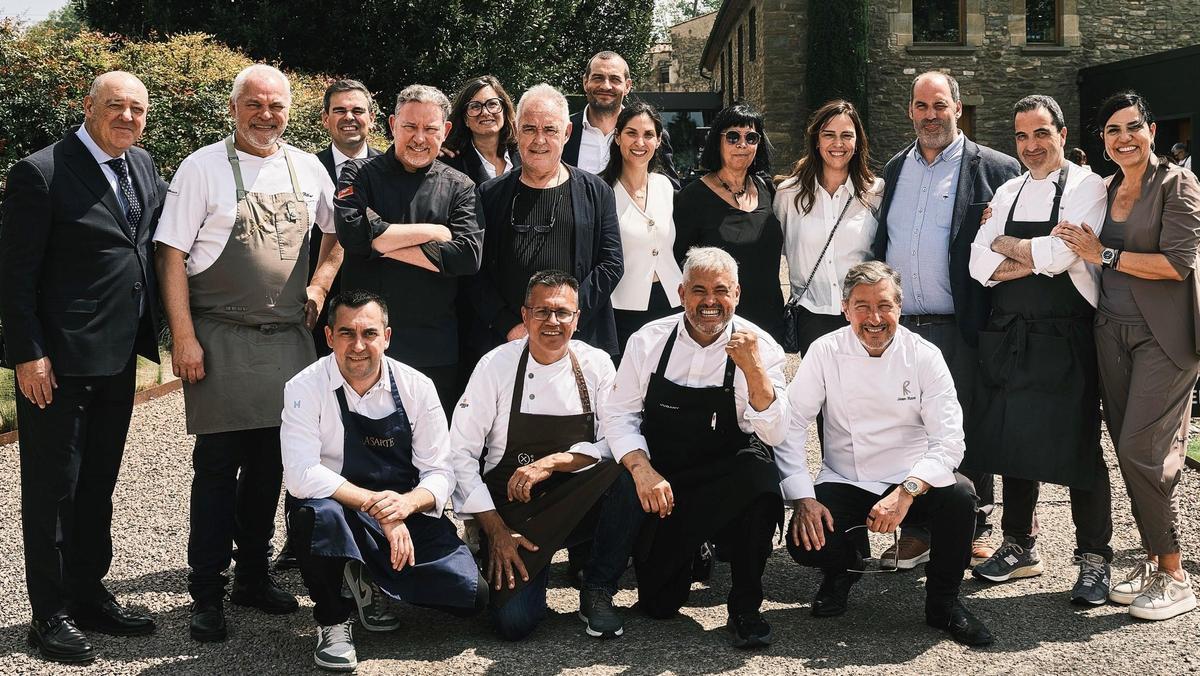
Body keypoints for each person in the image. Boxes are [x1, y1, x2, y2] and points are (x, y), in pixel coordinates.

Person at [154, 64, 342, 642]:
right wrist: (183, 336)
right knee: (216, 470)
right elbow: (170, 254)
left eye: (275, 105)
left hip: (288, 341)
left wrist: (319, 287)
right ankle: (207, 592)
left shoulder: (308, 167)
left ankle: (253, 578)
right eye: (254, 105)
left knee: (269, 468)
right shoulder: (202, 167)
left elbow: (336, 236)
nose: (265, 115)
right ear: (234, 108)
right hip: (221, 340)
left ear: (290, 110)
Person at [0, 70, 165, 664]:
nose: (128, 117)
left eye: (138, 109)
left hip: (119, 357)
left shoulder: (142, 165)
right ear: (89, 107)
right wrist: (28, 354)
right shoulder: (40, 172)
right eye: (116, 106)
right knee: (53, 491)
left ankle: (89, 593)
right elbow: (14, 276)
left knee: (97, 485)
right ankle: (48, 615)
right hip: (58, 363)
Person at [775, 261, 993, 647]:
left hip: (910, 478)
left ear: (899, 307)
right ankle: (844, 570)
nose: (874, 318)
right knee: (803, 541)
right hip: (846, 477)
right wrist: (803, 497)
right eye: (862, 306)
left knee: (961, 496)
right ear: (845, 309)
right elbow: (791, 425)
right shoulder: (825, 351)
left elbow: (949, 440)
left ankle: (943, 603)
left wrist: (907, 490)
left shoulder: (924, 356)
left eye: (884, 306)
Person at [280, 290, 484, 671]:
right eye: (346, 333)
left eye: (369, 333)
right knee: (313, 517)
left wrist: (405, 505)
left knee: (471, 595)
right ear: (329, 337)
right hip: (339, 511)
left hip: (403, 511)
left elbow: (440, 472)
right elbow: (301, 474)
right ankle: (333, 620)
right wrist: (378, 508)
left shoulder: (417, 387)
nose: (358, 346)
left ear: (386, 337)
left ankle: (363, 574)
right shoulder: (303, 387)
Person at [1054, 91, 1200, 621]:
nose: (1124, 138)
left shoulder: (1177, 184)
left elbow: (1178, 264)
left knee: (1141, 449)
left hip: (1164, 337)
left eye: (1132, 126)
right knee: (1129, 449)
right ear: (1103, 141)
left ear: (1151, 130)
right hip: (1110, 332)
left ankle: (1175, 574)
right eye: (1112, 130)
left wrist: (1105, 253)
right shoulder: (1106, 186)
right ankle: (1152, 558)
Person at [964, 95, 1113, 605]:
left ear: (1063, 134)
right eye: (1022, 136)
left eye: (1041, 133)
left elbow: (1062, 255)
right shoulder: (1008, 189)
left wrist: (1005, 244)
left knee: (1080, 448)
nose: (1031, 146)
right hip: (1010, 334)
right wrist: (1033, 252)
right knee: (1014, 441)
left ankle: (1094, 558)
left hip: (1068, 334)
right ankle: (1019, 546)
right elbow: (977, 265)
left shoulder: (1087, 186)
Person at [871, 71, 1021, 568]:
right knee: (911, 425)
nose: (930, 115)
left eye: (939, 105)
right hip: (905, 327)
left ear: (957, 108)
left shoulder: (996, 168)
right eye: (921, 106)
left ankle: (974, 524)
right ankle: (918, 529)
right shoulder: (895, 168)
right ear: (910, 111)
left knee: (969, 423)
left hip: (964, 323)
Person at [605, 246, 788, 649]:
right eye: (699, 290)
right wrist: (642, 470)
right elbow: (618, 415)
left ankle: (746, 606)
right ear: (681, 292)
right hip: (668, 481)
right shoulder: (648, 341)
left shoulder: (762, 347)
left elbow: (774, 432)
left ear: (737, 294)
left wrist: (753, 368)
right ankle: (695, 545)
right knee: (658, 605)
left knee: (760, 479)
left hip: (728, 474)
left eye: (721, 291)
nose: (710, 301)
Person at [450, 270, 641, 640]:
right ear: (525, 316)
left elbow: (616, 439)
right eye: (542, 312)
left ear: (577, 319)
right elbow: (460, 453)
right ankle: (488, 550)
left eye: (563, 312)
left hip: (576, 499)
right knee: (514, 623)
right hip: (514, 511)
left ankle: (598, 588)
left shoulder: (597, 363)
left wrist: (554, 462)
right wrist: (496, 530)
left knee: (629, 474)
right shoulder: (496, 365)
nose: (553, 321)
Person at [334, 84, 483, 415]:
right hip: (363, 346)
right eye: (410, 127)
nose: (419, 138)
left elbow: (466, 257)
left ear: (445, 131)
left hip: (432, 348)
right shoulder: (358, 173)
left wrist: (377, 243)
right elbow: (352, 234)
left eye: (430, 129)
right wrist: (433, 232)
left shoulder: (460, 187)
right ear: (392, 125)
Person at [472, 83, 623, 356]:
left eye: (550, 130)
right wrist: (510, 326)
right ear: (516, 130)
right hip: (509, 343)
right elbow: (476, 271)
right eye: (529, 129)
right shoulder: (489, 194)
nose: (539, 140)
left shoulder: (596, 191)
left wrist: (567, 318)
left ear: (567, 133)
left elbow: (611, 264)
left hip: (580, 340)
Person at [775, 99, 883, 356]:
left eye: (846, 135)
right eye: (829, 135)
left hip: (864, 316)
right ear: (816, 140)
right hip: (811, 317)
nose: (838, 143)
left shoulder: (875, 192)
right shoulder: (789, 194)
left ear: (857, 142)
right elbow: (771, 253)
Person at [673, 104, 785, 341]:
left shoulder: (767, 189)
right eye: (733, 136)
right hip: (717, 322)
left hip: (769, 319)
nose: (742, 144)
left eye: (751, 137)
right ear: (718, 141)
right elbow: (678, 263)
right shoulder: (693, 197)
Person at [599, 101, 683, 356]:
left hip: (671, 303)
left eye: (648, 135)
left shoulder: (665, 186)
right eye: (631, 133)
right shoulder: (600, 190)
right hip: (621, 307)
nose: (640, 142)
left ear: (658, 140)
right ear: (617, 137)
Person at [311, 79, 379, 356]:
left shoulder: (393, 169)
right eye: (339, 110)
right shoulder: (305, 169)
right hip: (315, 307)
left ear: (371, 118)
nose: (349, 117)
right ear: (325, 118)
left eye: (357, 111)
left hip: (376, 304)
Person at [561, 50, 679, 183]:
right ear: (585, 82)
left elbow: (670, 190)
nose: (606, 86)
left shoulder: (651, 136)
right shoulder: (563, 131)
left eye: (615, 79)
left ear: (627, 86)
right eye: (598, 78)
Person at [443, 75, 522, 186]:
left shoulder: (524, 155)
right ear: (465, 119)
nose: (485, 112)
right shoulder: (450, 164)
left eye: (492, 104)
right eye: (475, 106)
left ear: (504, 112)